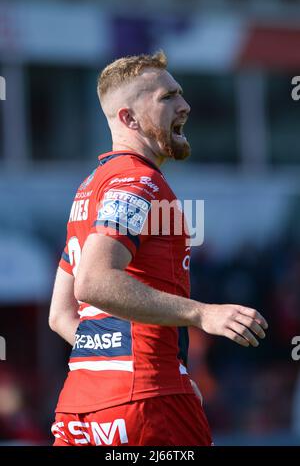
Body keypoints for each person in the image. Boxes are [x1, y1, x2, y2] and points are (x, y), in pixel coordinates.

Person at [49, 51, 268, 446]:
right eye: (167, 97)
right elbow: (94, 283)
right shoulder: (138, 183)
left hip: (80, 410)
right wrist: (201, 314)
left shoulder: (91, 188)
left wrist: (134, 366)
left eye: (180, 94)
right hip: (147, 405)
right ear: (128, 118)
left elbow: (60, 314)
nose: (185, 105)